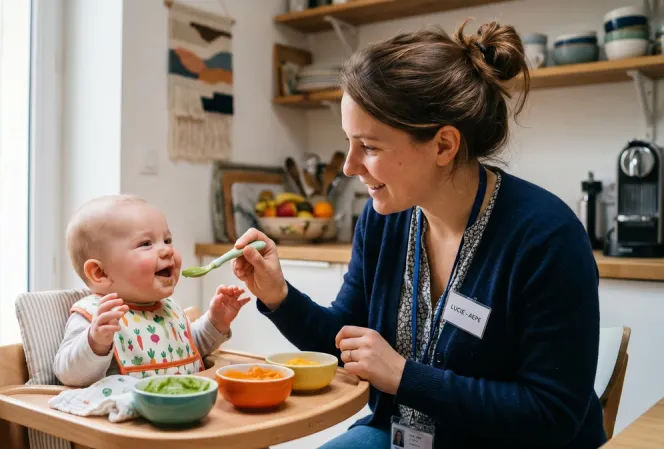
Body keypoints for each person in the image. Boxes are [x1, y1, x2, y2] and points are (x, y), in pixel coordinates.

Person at [231, 19, 606, 449]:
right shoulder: (385, 217)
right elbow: (348, 344)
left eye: (368, 147)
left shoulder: (547, 239)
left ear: (444, 146)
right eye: (348, 143)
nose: (349, 167)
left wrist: (405, 376)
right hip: (401, 438)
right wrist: (278, 296)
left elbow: (551, 413)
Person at [54, 194, 249, 386]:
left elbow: (190, 347)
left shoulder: (168, 308)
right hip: (128, 414)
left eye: (167, 240)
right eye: (146, 244)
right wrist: (95, 342)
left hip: (185, 407)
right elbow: (67, 373)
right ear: (100, 273)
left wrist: (216, 322)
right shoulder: (97, 314)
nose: (167, 250)